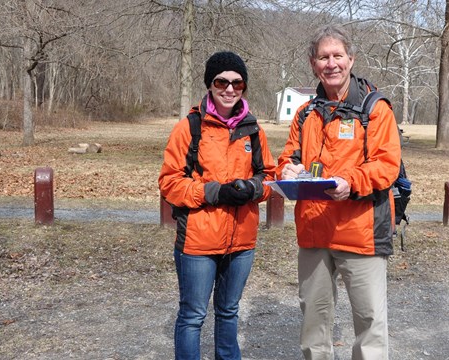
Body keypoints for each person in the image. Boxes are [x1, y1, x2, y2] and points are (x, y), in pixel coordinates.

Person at [276, 25, 402, 359]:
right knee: (314, 324)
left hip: (360, 233)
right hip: (315, 232)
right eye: (323, 57)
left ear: (351, 59)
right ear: (313, 63)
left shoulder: (375, 109)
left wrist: (351, 182)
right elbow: (289, 157)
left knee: (370, 323)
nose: (331, 64)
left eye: (338, 56)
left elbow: (386, 165)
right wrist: (285, 169)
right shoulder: (305, 114)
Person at [159, 51, 276, 360]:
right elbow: (169, 182)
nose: (229, 89)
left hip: (241, 242)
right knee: (193, 316)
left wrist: (251, 188)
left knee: (228, 311)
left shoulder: (253, 129)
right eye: (221, 81)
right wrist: (215, 192)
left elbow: (270, 177)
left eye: (237, 83)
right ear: (209, 84)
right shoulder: (190, 128)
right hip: (198, 243)